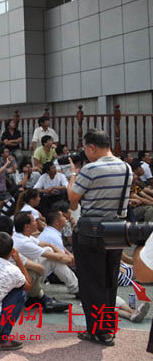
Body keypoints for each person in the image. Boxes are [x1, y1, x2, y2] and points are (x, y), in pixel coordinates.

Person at [67, 128, 130, 346]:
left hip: (91, 232)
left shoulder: (91, 168)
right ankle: (108, 327)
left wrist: (73, 173)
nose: (85, 154)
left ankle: (98, 331)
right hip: (118, 231)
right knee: (109, 281)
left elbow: (73, 199)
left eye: (86, 149)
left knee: (91, 282)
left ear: (92, 147)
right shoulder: (126, 167)